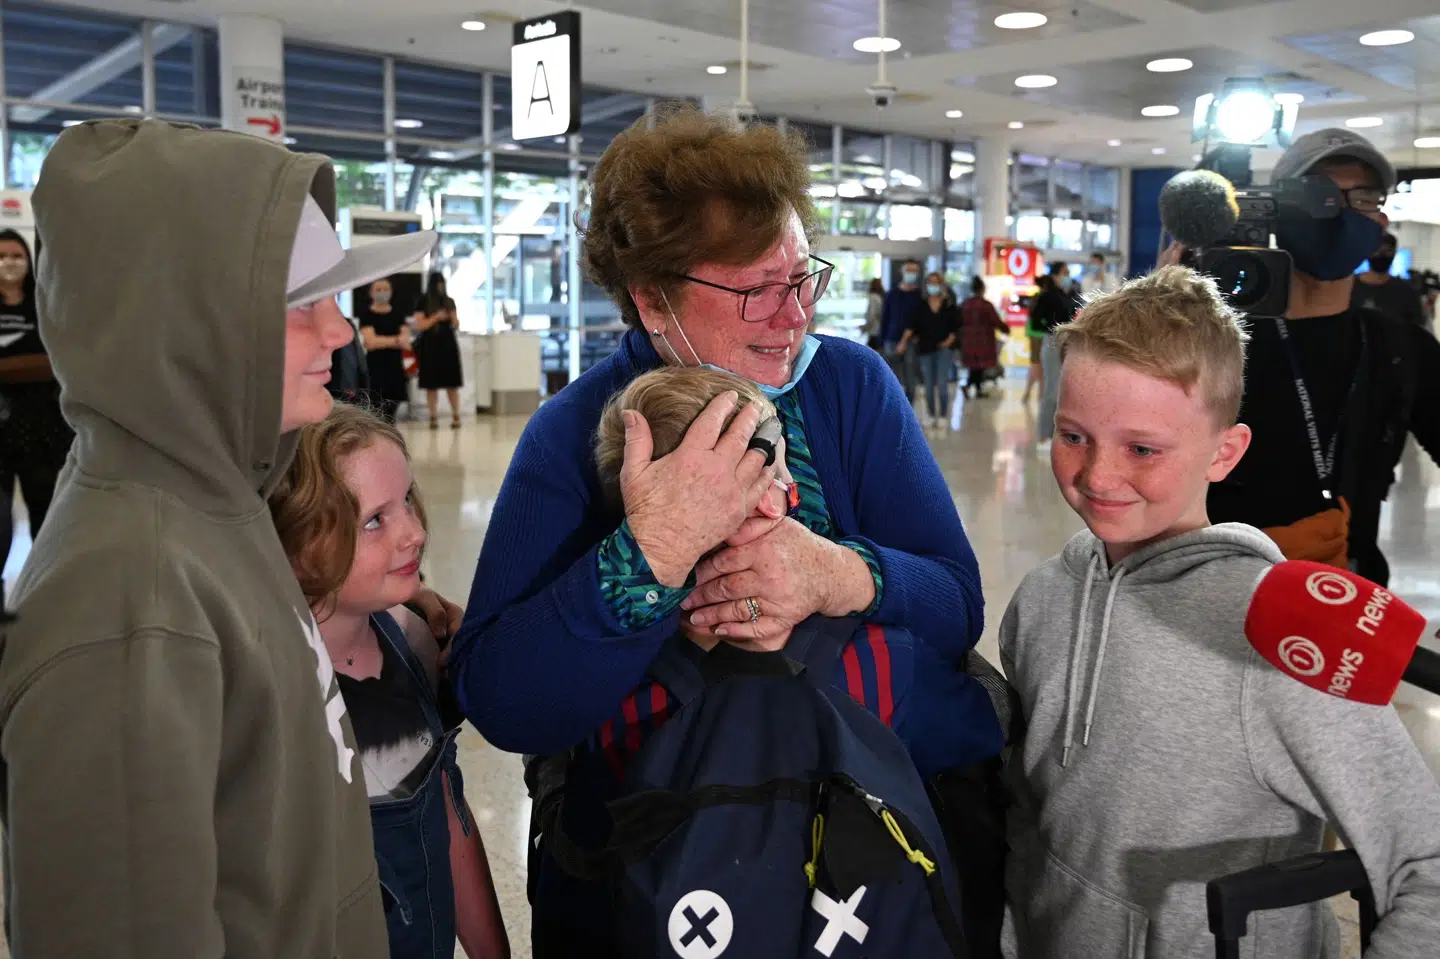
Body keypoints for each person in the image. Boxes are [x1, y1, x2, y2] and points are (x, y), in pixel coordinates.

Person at [449, 107, 987, 958]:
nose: (795, 315)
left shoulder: (850, 388)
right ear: (651, 298)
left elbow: (958, 606)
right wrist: (650, 555)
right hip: (653, 869)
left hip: (863, 858)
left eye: (803, 275)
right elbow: (502, 699)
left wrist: (837, 573)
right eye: (755, 291)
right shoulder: (572, 428)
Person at [0, 119, 450, 957]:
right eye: (300, 305)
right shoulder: (128, 607)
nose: (342, 332)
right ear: (186, 324)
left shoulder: (220, 499)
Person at [1001, 266, 1440, 959]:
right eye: (1073, 435)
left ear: (1225, 452)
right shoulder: (1041, 599)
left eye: (1142, 448)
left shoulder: (1277, 639)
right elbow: (1032, 810)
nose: (1097, 475)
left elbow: (1426, 865)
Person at [270, 404, 509, 959]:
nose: (416, 532)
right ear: (295, 547)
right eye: (375, 519)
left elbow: (449, 818)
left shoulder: (414, 642)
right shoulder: (269, 694)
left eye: (408, 500)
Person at [1198, 129, 1440, 584]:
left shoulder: (1402, 350)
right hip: (1208, 596)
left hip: (1347, 603)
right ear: (1278, 212)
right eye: (1322, 195)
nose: (1342, 212)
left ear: (1380, 223)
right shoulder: (1214, 339)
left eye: (1363, 197)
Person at [0, 228, 72, 573]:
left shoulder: (43, 305)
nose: (9, 263)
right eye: (1, 257)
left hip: (41, 430)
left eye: (16, 256)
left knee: (45, 514)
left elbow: (58, 362)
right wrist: (29, 366)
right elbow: (41, 363)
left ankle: (44, 585)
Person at [896, 271, 960, 426]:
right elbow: (911, 327)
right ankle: (932, 414)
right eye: (930, 282)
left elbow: (956, 327)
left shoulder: (949, 305)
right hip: (926, 348)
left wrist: (949, 341)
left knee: (942, 382)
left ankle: (944, 414)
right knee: (929, 384)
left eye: (936, 282)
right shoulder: (921, 305)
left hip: (945, 348)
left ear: (941, 284)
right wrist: (903, 342)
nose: (933, 285)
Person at [415, 271, 464, 429]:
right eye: (438, 283)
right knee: (431, 384)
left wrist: (452, 317)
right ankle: (433, 416)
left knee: (452, 383)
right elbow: (421, 325)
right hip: (430, 345)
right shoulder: (422, 301)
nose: (440, 287)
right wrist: (436, 317)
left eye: (442, 283)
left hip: (448, 344)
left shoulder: (449, 301)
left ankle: (456, 415)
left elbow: (456, 324)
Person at [1029, 273, 1072, 452]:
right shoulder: (1048, 297)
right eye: (1063, 272)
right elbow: (1036, 320)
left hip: (1066, 341)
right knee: (1051, 391)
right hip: (1053, 340)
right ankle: (1043, 435)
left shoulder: (1067, 295)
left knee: (1062, 391)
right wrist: (1051, 328)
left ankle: (1054, 435)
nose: (1066, 276)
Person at [359, 276, 412, 423]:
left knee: (392, 411)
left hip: (395, 367)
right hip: (375, 368)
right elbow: (370, 342)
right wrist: (395, 340)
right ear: (371, 293)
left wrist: (382, 341)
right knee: (376, 412)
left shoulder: (399, 314)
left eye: (385, 289)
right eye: (378, 290)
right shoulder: (367, 315)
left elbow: (405, 341)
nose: (382, 292)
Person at [1352, 232, 1427, 331]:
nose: (1381, 255)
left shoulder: (1406, 291)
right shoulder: (1348, 287)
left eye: (1387, 251)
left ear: (1394, 253)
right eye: (1377, 250)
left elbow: (1416, 330)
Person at [881, 258, 925, 402]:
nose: (911, 274)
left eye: (914, 271)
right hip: (890, 340)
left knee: (910, 377)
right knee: (892, 378)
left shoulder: (919, 296)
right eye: (909, 270)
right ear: (902, 272)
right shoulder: (892, 294)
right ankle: (894, 409)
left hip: (910, 342)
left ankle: (908, 409)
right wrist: (881, 341)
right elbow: (885, 318)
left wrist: (905, 341)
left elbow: (917, 321)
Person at [958, 276, 1009, 400]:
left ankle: (977, 389)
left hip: (968, 341)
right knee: (979, 366)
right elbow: (996, 321)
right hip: (983, 341)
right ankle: (969, 386)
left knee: (975, 366)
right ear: (982, 289)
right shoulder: (986, 305)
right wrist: (1005, 329)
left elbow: (957, 322)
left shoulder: (965, 304)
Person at [864, 276, 885, 349]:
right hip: (880, 330)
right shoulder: (881, 296)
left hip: (873, 330)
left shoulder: (873, 297)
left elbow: (872, 314)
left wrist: (865, 327)